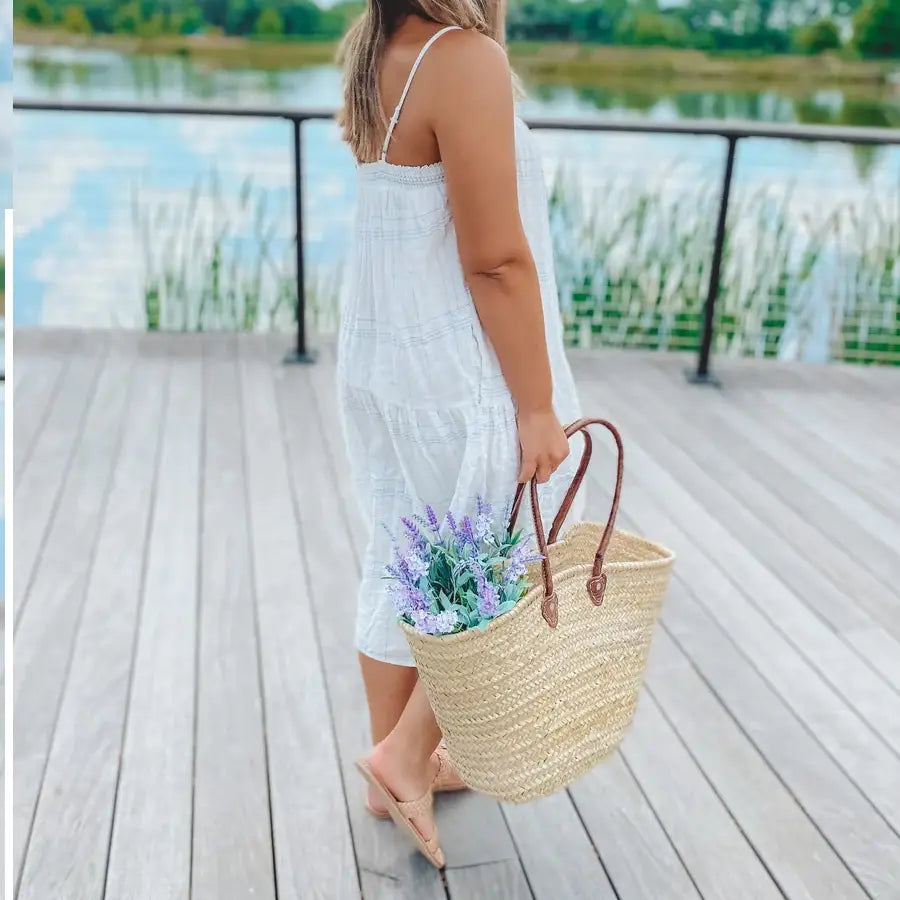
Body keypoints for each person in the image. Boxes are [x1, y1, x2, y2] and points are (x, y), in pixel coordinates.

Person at [336, 1, 583, 869]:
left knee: (406, 549)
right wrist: (537, 405)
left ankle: (390, 760)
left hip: (388, 358)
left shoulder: (379, 51)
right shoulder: (464, 57)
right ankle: (404, 754)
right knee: (506, 553)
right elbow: (496, 259)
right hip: (456, 366)